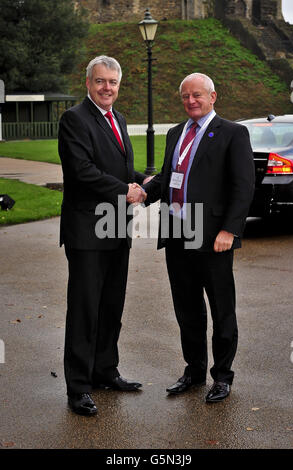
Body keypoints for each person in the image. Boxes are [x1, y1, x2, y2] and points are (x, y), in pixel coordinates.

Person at [143, 73, 255, 403]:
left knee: (222, 309)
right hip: (177, 234)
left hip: (212, 238)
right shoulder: (176, 133)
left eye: (197, 95)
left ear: (212, 97)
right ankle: (193, 371)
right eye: (185, 96)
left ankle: (222, 376)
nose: (191, 101)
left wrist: (230, 230)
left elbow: (243, 185)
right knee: (187, 309)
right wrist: (142, 193)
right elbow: (167, 176)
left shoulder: (233, 133)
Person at [58, 55, 146, 416]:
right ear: (88, 83)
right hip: (87, 232)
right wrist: (126, 189)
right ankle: (79, 387)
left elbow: (119, 167)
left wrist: (143, 181)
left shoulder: (118, 119)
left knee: (111, 307)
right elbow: (82, 171)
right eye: (100, 81)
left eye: (112, 82)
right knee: (84, 310)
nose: (107, 87)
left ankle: (105, 371)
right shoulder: (74, 119)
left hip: (116, 229)